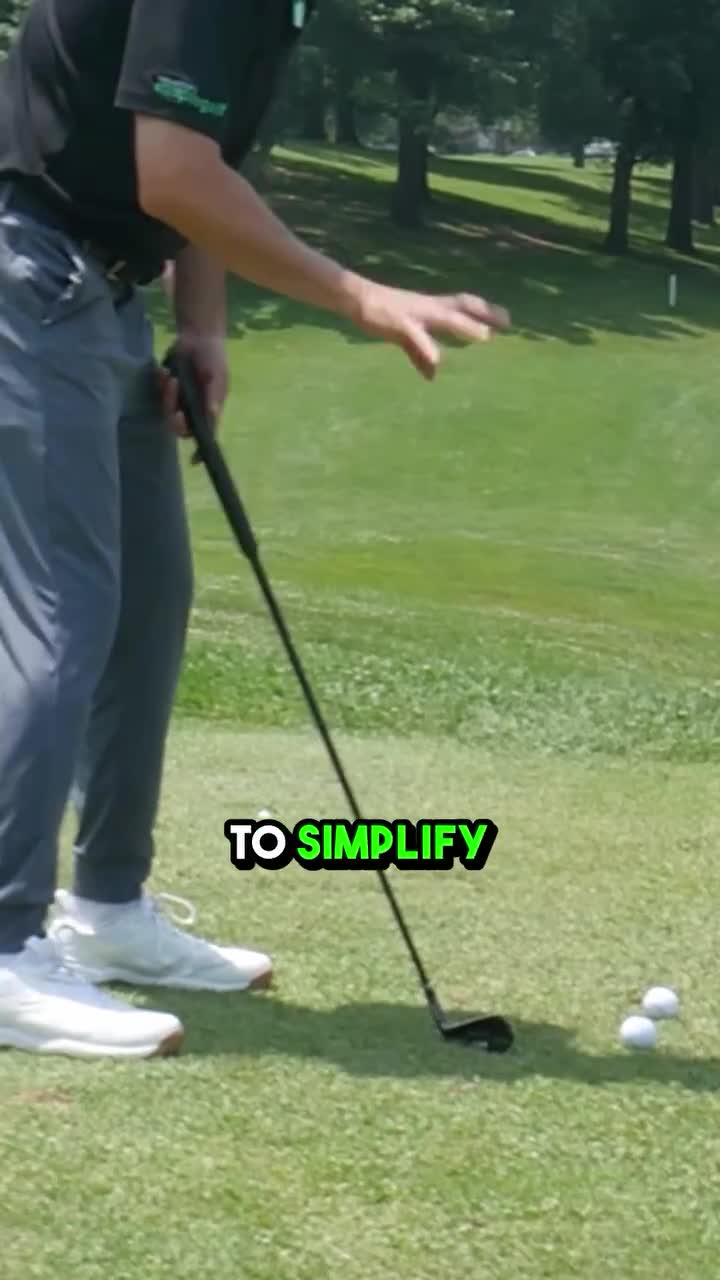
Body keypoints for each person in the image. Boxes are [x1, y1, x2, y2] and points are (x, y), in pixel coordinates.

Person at [0, 0, 510, 1060]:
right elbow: (174, 175)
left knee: (148, 600)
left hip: (103, 289)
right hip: (29, 270)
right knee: (61, 611)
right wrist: (358, 294)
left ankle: (107, 907)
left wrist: (204, 325)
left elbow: (203, 158)